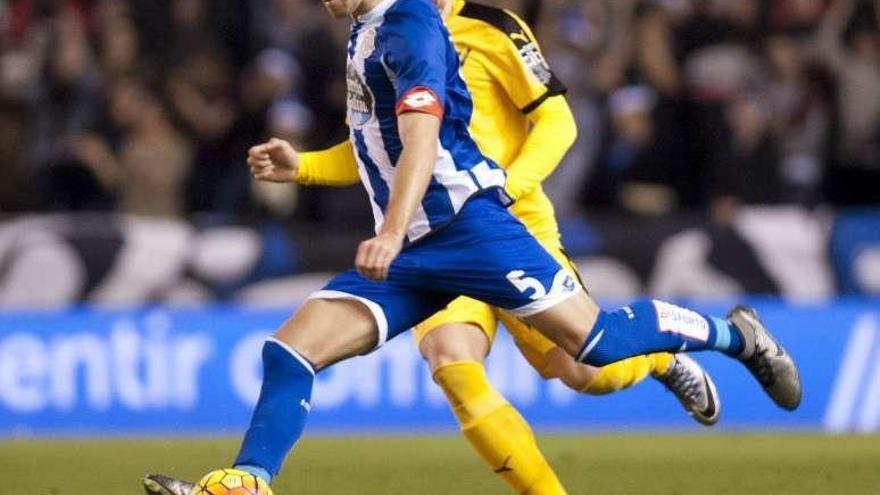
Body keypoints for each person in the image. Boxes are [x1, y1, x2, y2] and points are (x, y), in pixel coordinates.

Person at [144, 0, 801, 493]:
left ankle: (731, 334)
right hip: (418, 243)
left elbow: (459, 135)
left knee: (590, 353)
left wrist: (407, 227)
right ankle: (247, 481)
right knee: (298, 350)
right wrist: (306, 167)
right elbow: (384, 146)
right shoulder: (364, 30)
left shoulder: (428, 26)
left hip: (476, 227)